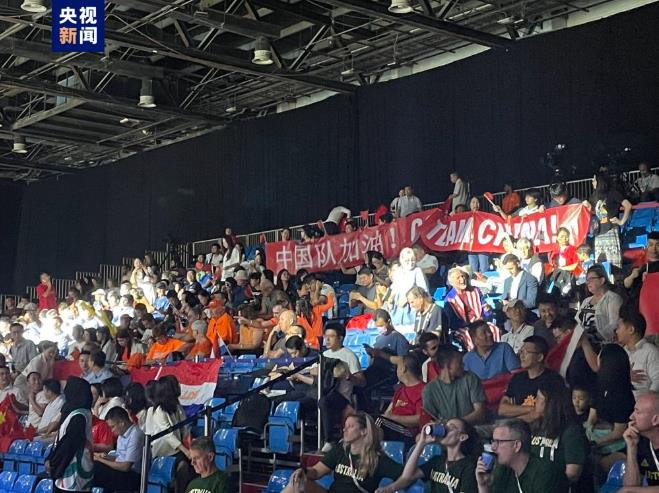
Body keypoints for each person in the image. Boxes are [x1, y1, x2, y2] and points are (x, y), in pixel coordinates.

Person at [282, 412, 403, 493]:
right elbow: (317, 472)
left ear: (364, 431)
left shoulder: (377, 459)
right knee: (297, 482)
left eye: (350, 426)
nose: (344, 429)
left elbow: (405, 476)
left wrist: (390, 488)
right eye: (345, 426)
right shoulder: (341, 449)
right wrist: (303, 471)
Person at [377, 418, 481, 493]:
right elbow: (407, 476)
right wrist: (421, 443)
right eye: (446, 425)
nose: (445, 428)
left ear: (462, 437)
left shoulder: (469, 466)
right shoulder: (437, 461)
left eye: (452, 427)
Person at [475, 419, 568, 493]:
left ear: (517, 446)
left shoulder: (545, 473)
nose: (493, 447)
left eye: (498, 442)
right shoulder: (503, 470)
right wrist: (483, 485)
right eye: (493, 441)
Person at [529, 382, 590, 488]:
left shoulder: (572, 431)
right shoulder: (537, 425)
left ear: (550, 403)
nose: (535, 401)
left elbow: (573, 473)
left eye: (538, 398)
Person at [586, 343, 635, 470]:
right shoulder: (599, 385)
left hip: (614, 445)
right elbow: (592, 417)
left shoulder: (623, 394)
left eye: (599, 355)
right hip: (595, 435)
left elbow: (619, 432)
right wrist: (587, 433)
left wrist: (594, 443)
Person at [319, 322, 366, 451]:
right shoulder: (323, 355)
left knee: (324, 402)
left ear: (340, 338)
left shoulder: (349, 356)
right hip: (322, 391)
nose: (327, 339)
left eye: (331, 336)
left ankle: (329, 440)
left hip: (341, 396)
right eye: (325, 336)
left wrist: (348, 376)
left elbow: (362, 382)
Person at [45, 376, 95, 493]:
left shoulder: (79, 416)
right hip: (66, 465)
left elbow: (69, 443)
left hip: (74, 468)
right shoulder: (73, 412)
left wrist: (54, 461)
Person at [498, 336, 564, 422]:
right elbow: (502, 409)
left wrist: (514, 416)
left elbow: (542, 413)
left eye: (526, 352)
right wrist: (531, 408)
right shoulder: (517, 378)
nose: (522, 356)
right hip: (515, 425)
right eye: (521, 352)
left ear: (539, 357)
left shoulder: (553, 380)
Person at [145, 378, 192, 493]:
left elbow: (185, 426)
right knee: (183, 466)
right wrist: (186, 451)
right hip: (164, 451)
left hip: (178, 449)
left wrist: (190, 445)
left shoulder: (177, 406)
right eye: (176, 384)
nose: (179, 386)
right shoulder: (159, 411)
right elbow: (168, 435)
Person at [422, 345, 486, 425]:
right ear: (448, 366)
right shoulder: (429, 390)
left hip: (474, 428)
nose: (463, 365)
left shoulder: (470, 379)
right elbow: (430, 421)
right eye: (460, 362)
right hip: (446, 431)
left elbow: (480, 412)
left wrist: (456, 423)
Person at [92, 407, 144, 493]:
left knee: (96, 468)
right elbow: (119, 458)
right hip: (123, 472)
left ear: (121, 423)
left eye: (113, 427)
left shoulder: (135, 435)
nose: (112, 431)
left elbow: (125, 466)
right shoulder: (121, 434)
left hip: (133, 477)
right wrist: (104, 457)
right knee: (92, 464)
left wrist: (100, 460)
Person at [376, 355, 425, 444]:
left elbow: (420, 418)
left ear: (403, 369)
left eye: (398, 367)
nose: (396, 371)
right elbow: (388, 412)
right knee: (369, 420)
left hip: (409, 431)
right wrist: (388, 417)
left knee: (379, 421)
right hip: (392, 426)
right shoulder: (400, 390)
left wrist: (393, 418)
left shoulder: (423, 390)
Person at [576, 264, 623, 350]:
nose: (587, 282)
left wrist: (591, 335)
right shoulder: (586, 301)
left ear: (602, 280)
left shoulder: (612, 299)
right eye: (587, 280)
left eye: (591, 279)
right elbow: (577, 321)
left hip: (604, 347)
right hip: (584, 345)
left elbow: (614, 325)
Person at [590, 173, 632, 269]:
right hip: (599, 233)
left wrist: (621, 221)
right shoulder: (595, 196)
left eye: (594, 180)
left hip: (611, 231)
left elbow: (628, 205)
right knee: (600, 265)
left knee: (614, 264)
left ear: (600, 182)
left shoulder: (612, 193)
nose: (592, 182)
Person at [616, 306, 659, 399]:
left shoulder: (650, 352)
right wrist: (625, 376)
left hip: (644, 404)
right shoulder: (621, 353)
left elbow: (657, 380)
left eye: (619, 327)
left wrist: (646, 401)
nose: (616, 331)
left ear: (631, 330)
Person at [622, 391, 659, 491]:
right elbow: (630, 485)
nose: (631, 417)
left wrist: (634, 491)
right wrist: (631, 448)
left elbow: (630, 490)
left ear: (656, 420)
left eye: (637, 412)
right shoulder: (641, 442)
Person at [467, 197, 490, 274]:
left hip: (482, 245)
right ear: (469, 204)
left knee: (484, 269)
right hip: (471, 246)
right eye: (473, 202)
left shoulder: (485, 216)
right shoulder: (465, 216)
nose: (475, 204)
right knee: (473, 270)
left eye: (477, 202)